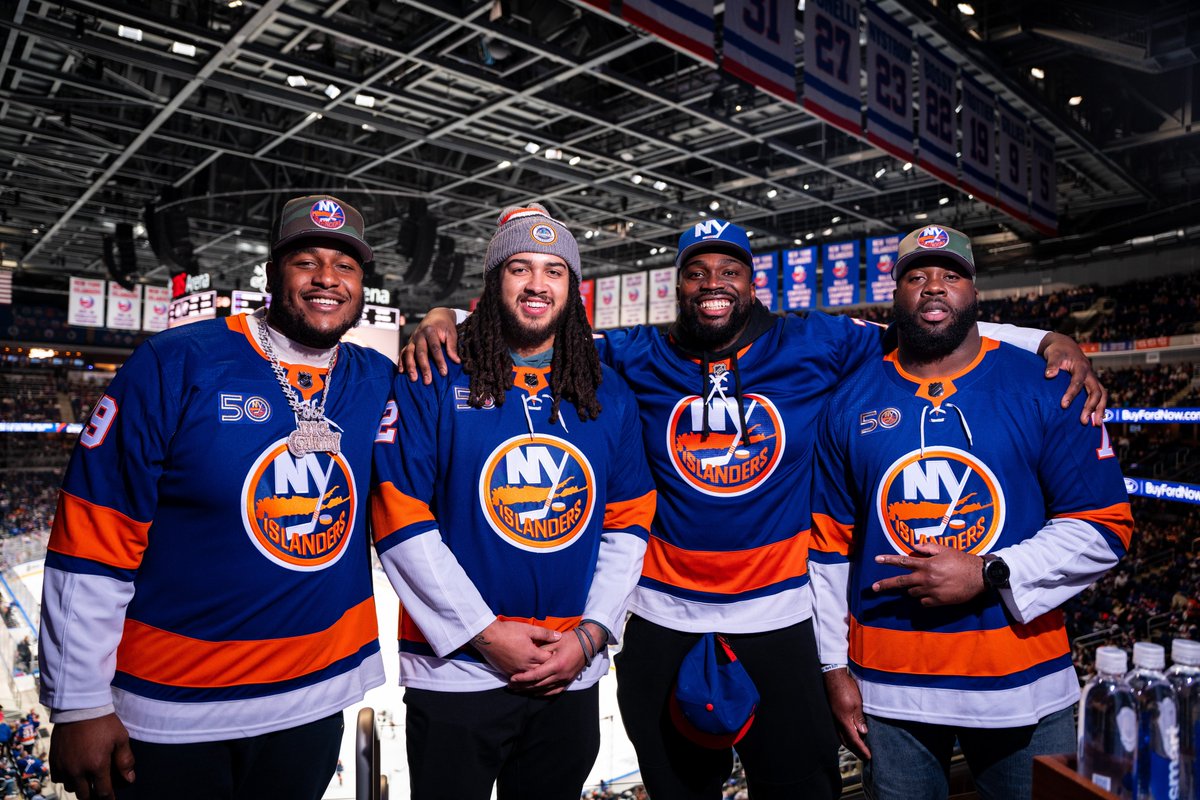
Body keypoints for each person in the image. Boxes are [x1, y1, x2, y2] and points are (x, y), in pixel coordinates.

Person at [402, 218, 1105, 799]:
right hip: (659, 618)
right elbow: (536, 325)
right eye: (697, 271)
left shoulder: (817, 342)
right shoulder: (635, 353)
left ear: (752, 281)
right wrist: (447, 317)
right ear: (678, 285)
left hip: (782, 616)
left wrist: (1045, 341)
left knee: (803, 788)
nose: (714, 284)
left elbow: (932, 329)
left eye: (730, 269)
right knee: (676, 787)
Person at [40, 195, 394, 800]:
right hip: (171, 712)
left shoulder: (375, 376)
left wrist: (443, 316)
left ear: (362, 284)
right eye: (306, 261)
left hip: (313, 702)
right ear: (273, 272)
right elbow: (95, 530)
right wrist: (78, 704)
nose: (327, 279)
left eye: (346, 267)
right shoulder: (178, 362)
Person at [809, 225, 1133, 800]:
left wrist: (989, 571)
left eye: (950, 275)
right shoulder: (848, 401)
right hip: (890, 691)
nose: (934, 287)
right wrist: (834, 667)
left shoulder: (1047, 385)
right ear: (895, 293)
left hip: (1023, 686)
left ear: (974, 291)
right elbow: (828, 548)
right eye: (917, 276)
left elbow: (1105, 528)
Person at [371, 204, 656, 800]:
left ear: (572, 288)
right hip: (455, 676)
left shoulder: (606, 392)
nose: (536, 284)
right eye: (520, 268)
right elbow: (398, 513)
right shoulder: (434, 376)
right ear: (494, 279)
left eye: (554, 271)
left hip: (567, 673)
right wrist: (483, 632)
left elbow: (627, 526)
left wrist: (591, 634)